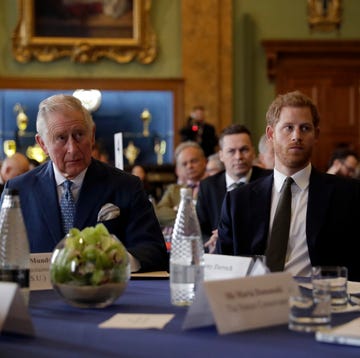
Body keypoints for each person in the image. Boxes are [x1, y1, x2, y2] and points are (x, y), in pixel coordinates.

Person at [2, 94, 168, 273]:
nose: (73, 149)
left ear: (92, 135)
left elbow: (154, 251)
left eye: (79, 135)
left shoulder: (127, 186)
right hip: (38, 297)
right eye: (61, 138)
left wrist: (116, 259)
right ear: (42, 144)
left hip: (106, 294)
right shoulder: (18, 190)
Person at [217, 90, 360, 281]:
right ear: (270, 134)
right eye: (288, 128)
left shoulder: (348, 194)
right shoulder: (238, 201)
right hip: (254, 301)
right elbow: (222, 269)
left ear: (316, 135)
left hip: (321, 302)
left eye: (305, 128)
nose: (296, 136)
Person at [196, 124, 272, 252]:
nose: (238, 157)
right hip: (219, 259)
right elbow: (198, 230)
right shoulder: (207, 186)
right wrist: (212, 241)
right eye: (231, 151)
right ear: (221, 155)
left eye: (244, 150)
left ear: (253, 152)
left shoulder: (270, 180)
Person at [155, 141, 207, 227]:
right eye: (184, 164)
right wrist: (189, 220)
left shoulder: (213, 187)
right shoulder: (174, 189)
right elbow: (159, 213)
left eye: (194, 161)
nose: (189, 166)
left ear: (204, 161)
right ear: (178, 169)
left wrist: (176, 210)